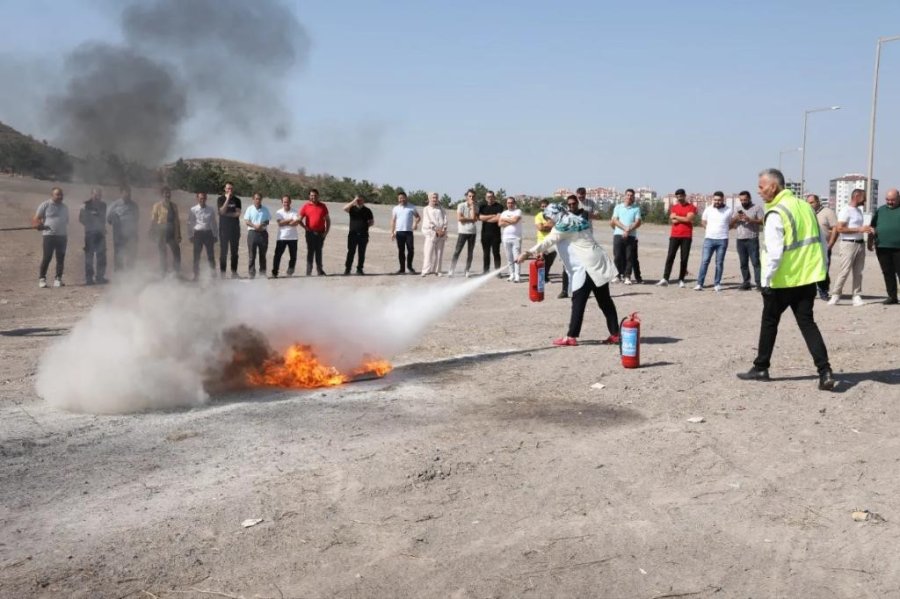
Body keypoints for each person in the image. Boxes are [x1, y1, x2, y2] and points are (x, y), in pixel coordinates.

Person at [737, 168, 834, 391]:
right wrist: (823, 272)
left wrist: (766, 281)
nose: (759, 191)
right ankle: (825, 371)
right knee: (808, 324)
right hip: (807, 279)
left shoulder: (776, 213)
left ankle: (761, 367)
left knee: (769, 321)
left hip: (783, 281)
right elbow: (820, 241)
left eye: (761, 187)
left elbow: (773, 252)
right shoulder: (805, 207)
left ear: (774, 185)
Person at [516, 202, 620, 347]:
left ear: (554, 215)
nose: (548, 222)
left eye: (548, 218)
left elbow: (549, 240)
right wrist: (542, 252)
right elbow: (563, 243)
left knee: (578, 301)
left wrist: (527, 253)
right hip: (598, 261)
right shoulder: (574, 219)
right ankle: (615, 334)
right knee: (605, 301)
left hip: (586, 266)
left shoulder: (562, 225)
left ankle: (571, 336)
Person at [828, 188, 873, 306]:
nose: (865, 201)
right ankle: (835, 295)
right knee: (844, 271)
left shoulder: (858, 211)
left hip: (860, 244)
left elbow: (857, 227)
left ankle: (856, 296)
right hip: (848, 244)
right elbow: (840, 228)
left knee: (858, 272)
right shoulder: (845, 210)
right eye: (864, 198)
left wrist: (866, 229)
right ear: (856, 196)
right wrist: (859, 229)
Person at [694, 191, 732, 292]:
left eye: (719, 200)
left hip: (722, 240)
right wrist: (708, 229)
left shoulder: (728, 210)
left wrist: (723, 230)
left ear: (723, 200)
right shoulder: (708, 209)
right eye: (715, 200)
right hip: (709, 239)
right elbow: (703, 221)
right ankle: (699, 283)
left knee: (719, 263)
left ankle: (717, 283)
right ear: (712, 200)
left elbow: (730, 224)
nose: (717, 201)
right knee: (705, 261)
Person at [867, 188, 900, 304]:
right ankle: (892, 297)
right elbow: (872, 227)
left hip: (898, 248)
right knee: (887, 272)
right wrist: (869, 242)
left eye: (892, 200)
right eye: (887, 200)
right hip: (882, 247)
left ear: (898, 198)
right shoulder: (880, 210)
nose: (889, 202)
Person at [657, 188, 695, 287]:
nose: (679, 198)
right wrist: (684, 218)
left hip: (686, 236)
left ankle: (681, 279)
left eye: (681, 196)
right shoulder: (674, 207)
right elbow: (673, 221)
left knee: (684, 258)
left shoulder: (691, 207)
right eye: (677, 197)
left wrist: (677, 217)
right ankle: (665, 278)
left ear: (684, 195)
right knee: (670, 257)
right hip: (674, 235)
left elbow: (688, 219)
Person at [33, 187, 69, 288]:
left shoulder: (65, 207)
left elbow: (66, 221)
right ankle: (42, 279)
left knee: (60, 258)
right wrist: (39, 225)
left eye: (61, 194)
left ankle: (58, 279)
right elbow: (36, 219)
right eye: (57, 194)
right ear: (52, 195)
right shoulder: (45, 205)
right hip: (49, 236)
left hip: (62, 236)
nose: (60, 196)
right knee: (47, 257)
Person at [807, 194, 838, 300]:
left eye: (812, 202)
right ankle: (810, 292)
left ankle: (823, 291)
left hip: (824, 247)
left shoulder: (828, 212)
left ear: (818, 202)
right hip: (810, 247)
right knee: (810, 269)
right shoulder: (807, 213)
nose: (810, 204)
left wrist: (831, 243)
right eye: (808, 202)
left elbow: (835, 228)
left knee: (823, 270)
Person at [732, 190, 764, 290]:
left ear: (749, 198)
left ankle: (759, 283)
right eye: (741, 200)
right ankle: (746, 282)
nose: (743, 201)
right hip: (740, 239)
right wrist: (736, 218)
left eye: (745, 199)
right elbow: (731, 224)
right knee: (743, 263)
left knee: (755, 262)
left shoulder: (757, 208)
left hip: (752, 239)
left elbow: (763, 221)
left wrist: (750, 220)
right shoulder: (738, 209)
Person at [610, 188, 643, 284]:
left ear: (633, 197)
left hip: (631, 235)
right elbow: (615, 220)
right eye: (628, 195)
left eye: (631, 195)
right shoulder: (618, 207)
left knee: (629, 257)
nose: (629, 197)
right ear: (624, 196)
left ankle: (627, 276)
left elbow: (638, 222)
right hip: (618, 234)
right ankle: (617, 275)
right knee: (617, 256)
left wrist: (629, 229)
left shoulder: (636, 208)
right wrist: (625, 228)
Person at [149, 186, 181, 275]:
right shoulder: (157, 206)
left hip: (171, 230)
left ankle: (176, 272)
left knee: (176, 251)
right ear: (162, 195)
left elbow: (177, 221)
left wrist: (178, 234)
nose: (167, 195)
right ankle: (163, 272)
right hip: (161, 230)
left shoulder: (174, 206)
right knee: (163, 253)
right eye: (165, 193)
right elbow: (154, 220)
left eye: (169, 193)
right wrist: (151, 231)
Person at [107, 185, 139, 272]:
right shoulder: (115, 204)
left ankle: (130, 273)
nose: (128, 195)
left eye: (129, 193)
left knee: (131, 253)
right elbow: (108, 218)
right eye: (125, 193)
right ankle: (119, 274)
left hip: (131, 234)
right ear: (121, 193)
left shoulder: (134, 205)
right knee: (119, 253)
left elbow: (137, 218)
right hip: (119, 234)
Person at [79, 187, 107, 285]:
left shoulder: (104, 205)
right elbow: (81, 218)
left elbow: (104, 218)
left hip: (101, 234)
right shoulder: (85, 205)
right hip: (90, 234)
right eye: (95, 194)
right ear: (91, 194)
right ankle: (89, 279)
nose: (97, 196)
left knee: (101, 256)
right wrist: (91, 224)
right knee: (89, 257)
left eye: (99, 194)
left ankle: (100, 277)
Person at [187, 191, 218, 280]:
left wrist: (215, 235)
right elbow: (190, 223)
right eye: (200, 198)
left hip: (208, 233)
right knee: (196, 256)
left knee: (211, 256)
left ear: (206, 199)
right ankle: (196, 275)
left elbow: (214, 223)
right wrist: (190, 235)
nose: (202, 200)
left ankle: (213, 275)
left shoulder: (210, 209)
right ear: (197, 199)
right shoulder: (193, 209)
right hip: (198, 234)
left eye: (204, 198)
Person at [299, 188, 330, 276]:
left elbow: (328, 220)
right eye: (312, 195)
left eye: (315, 195)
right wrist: (305, 227)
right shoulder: (306, 206)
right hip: (310, 233)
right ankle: (308, 272)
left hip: (321, 233)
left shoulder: (323, 206)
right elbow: (299, 219)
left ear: (318, 196)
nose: (313, 197)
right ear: (309, 196)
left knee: (319, 251)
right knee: (310, 252)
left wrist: (326, 232)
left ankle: (320, 271)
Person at [447, 189, 478, 277]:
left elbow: (474, 218)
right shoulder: (461, 205)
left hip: (472, 232)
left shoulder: (476, 206)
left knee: (470, 252)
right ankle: (451, 270)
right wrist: (470, 219)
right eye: (470, 196)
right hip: (463, 232)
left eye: (473, 196)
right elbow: (460, 219)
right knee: (457, 251)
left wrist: (472, 208)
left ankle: (467, 270)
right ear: (466, 196)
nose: (471, 198)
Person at [390, 191, 420, 274]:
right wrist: (392, 232)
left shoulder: (412, 207)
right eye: (400, 198)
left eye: (403, 198)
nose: (402, 199)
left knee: (411, 250)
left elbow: (418, 217)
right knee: (401, 251)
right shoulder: (395, 208)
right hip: (399, 232)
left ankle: (409, 267)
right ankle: (402, 269)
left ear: (406, 198)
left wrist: (415, 223)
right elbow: (393, 220)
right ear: (398, 199)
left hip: (409, 232)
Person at [217, 182, 242, 278]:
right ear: (225, 189)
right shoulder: (221, 199)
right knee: (223, 252)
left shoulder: (237, 200)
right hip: (224, 230)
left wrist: (226, 214)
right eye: (228, 188)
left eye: (231, 188)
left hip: (235, 230)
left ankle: (234, 272)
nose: (230, 190)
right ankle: (223, 273)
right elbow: (221, 211)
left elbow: (237, 214)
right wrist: (227, 199)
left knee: (234, 252)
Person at [343, 194, 373, 275]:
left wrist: (364, 227)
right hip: (353, 234)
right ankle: (347, 269)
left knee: (361, 253)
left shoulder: (367, 210)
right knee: (351, 252)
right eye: (358, 200)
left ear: (364, 200)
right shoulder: (352, 209)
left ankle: (359, 269)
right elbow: (344, 208)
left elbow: (371, 222)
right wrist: (353, 201)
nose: (359, 201)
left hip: (363, 235)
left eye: (361, 200)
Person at [243, 192, 271, 279]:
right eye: (256, 198)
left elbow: (267, 221)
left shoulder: (265, 209)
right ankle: (251, 273)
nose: (258, 200)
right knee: (252, 255)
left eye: (259, 199)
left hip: (263, 234)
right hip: (252, 234)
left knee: (263, 255)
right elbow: (246, 221)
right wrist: (255, 226)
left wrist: (261, 225)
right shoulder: (249, 209)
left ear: (261, 199)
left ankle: (262, 273)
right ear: (253, 199)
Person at [421, 192, 448, 276]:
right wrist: (436, 229)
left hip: (441, 234)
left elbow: (445, 219)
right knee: (428, 252)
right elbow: (427, 221)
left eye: (436, 197)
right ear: (429, 198)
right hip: (430, 233)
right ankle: (425, 270)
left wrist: (443, 229)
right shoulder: (426, 209)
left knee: (439, 253)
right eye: (433, 197)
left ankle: (438, 270)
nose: (434, 199)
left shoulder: (441, 208)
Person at [273, 195, 299, 278]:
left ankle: (290, 271)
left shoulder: (295, 211)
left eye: (287, 201)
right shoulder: (279, 212)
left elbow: (295, 223)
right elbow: (279, 223)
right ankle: (275, 272)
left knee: (293, 256)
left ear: (290, 202)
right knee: (277, 256)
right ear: (282, 202)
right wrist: (290, 220)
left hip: (293, 237)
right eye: (284, 202)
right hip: (281, 238)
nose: (286, 203)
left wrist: (285, 222)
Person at [478, 190, 503, 274]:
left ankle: (497, 271)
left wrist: (486, 218)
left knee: (496, 253)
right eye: (488, 197)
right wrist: (492, 216)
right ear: (486, 198)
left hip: (496, 235)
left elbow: (498, 218)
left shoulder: (499, 206)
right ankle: (486, 271)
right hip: (485, 234)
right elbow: (480, 218)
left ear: (494, 197)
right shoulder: (482, 206)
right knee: (486, 254)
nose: (490, 198)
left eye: (491, 197)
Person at [499, 196, 523, 282]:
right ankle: (511, 274)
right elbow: (500, 223)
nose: (510, 204)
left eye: (512, 203)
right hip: (506, 238)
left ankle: (517, 275)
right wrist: (510, 220)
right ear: (506, 204)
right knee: (509, 257)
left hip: (516, 238)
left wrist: (505, 219)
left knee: (517, 257)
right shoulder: (504, 212)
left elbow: (515, 221)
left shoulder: (518, 211)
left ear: (514, 203)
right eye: (508, 203)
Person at [534, 198, 557, 282]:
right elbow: (540, 228)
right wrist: (550, 226)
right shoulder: (538, 216)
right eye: (542, 206)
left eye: (545, 206)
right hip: (541, 241)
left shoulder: (553, 216)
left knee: (550, 260)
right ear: (540, 207)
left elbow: (556, 226)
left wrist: (546, 226)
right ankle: (540, 277)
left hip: (552, 241)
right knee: (541, 259)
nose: (544, 208)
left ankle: (546, 275)